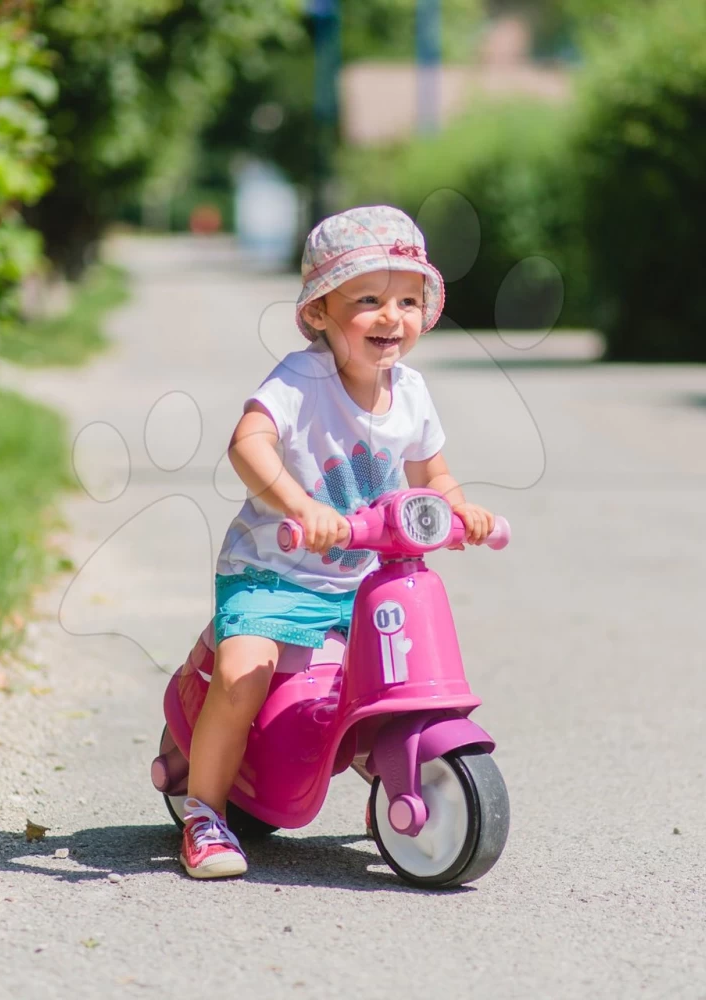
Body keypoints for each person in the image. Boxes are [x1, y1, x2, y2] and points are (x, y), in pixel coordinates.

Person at [179, 205, 497, 878]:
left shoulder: (409, 393)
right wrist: (298, 504)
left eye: (408, 300)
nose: (392, 316)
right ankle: (204, 814)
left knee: (396, 679)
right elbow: (249, 442)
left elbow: (432, 472)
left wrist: (460, 509)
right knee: (243, 676)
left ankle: (397, 767)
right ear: (320, 312)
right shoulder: (301, 381)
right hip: (274, 572)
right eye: (369, 300)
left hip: (361, 583)